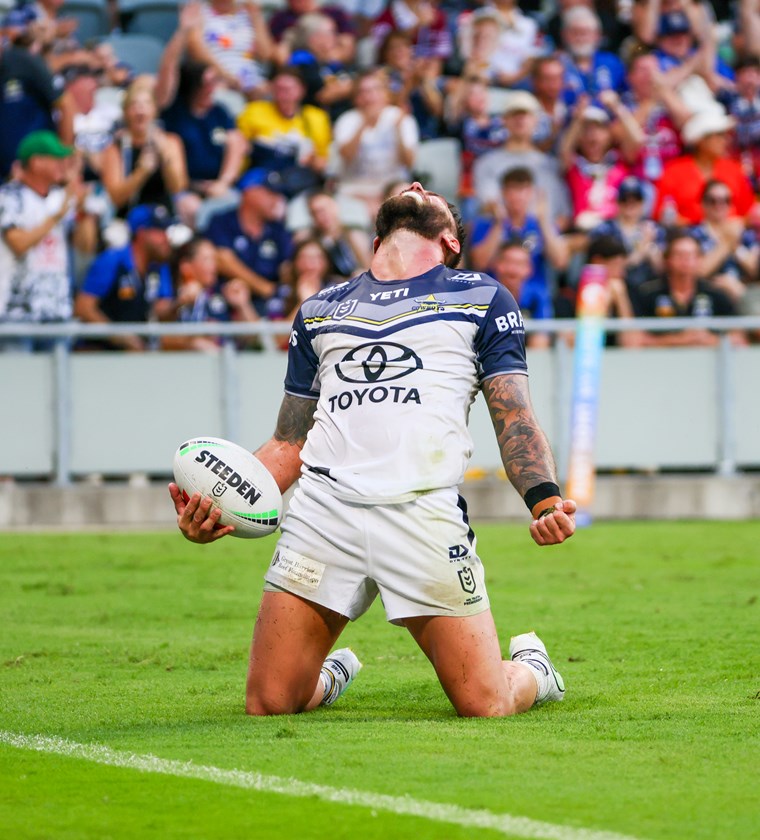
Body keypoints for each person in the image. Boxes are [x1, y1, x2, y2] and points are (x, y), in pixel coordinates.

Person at [169, 181, 577, 719]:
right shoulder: (319, 308)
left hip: (420, 510)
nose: (415, 185)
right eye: (410, 187)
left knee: (486, 703)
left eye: (428, 191)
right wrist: (218, 504)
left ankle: (535, 671)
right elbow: (292, 439)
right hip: (324, 512)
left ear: (450, 239)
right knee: (269, 703)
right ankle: (333, 674)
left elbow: (514, 414)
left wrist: (545, 500)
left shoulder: (482, 296)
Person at [0, 131, 90, 350]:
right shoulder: (10, 196)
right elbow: (19, 244)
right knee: (20, 382)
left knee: (60, 384)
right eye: (56, 158)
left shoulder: (60, 198)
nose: (62, 164)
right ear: (36, 162)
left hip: (57, 311)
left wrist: (84, 210)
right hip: (17, 314)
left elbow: (85, 246)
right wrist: (56, 216)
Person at [74, 204, 176, 351]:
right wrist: (118, 336)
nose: (166, 237)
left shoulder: (159, 266)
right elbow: (83, 307)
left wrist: (179, 303)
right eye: (160, 231)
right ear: (142, 233)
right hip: (100, 354)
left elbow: (160, 310)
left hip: (138, 354)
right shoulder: (112, 260)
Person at [631, 228, 747, 346]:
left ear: (700, 260)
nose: (685, 260)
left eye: (691, 255)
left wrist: (708, 339)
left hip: (707, 361)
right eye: (679, 254)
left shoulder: (715, 294)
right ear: (668, 259)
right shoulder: (648, 294)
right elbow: (634, 340)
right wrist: (680, 339)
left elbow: (739, 339)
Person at [472, 91, 572, 228]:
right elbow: (489, 207)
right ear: (504, 120)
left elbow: (563, 215)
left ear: (536, 120)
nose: (520, 119)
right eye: (514, 114)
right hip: (503, 239)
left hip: (544, 241)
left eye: (526, 115)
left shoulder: (550, 165)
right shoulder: (486, 163)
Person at [203, 167, 294, 315]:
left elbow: (287, 266)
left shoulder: (278, 229)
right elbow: (222, 259)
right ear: (249, 191)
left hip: (271, 306)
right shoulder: (222, 222)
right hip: (227, 301)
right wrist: (263, 287)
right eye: (270, 193)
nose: (277, 199)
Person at [332, 69, 419, 217]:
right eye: (363, 92)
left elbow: (410, 163)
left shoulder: (400, 118)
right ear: (356, 98)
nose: (369, 96)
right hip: (356, 188)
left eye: (375, 90)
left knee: (406, 195)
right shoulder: (347, 120)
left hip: (391, 187)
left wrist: (398, 130)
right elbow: (346, 156)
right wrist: (364, 123)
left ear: (386, 94)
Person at [653, 108, 755, 224]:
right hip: (689, 235)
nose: (725, 140)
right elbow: (661, 214)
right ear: (701, 140)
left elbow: (749, 212)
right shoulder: (674, 171)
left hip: (730, 234)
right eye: (719, 135)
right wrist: (698, 228)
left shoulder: (733, 169)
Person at [163, 236, 260, 352]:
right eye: (206, 259)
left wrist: (243, 305)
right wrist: (180, 303)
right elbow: (160, 339)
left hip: (225, 364)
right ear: (186, 266)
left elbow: (255, 338)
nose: (214, 266)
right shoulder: (171, 297)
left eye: (214, 260)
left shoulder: (223, 295)